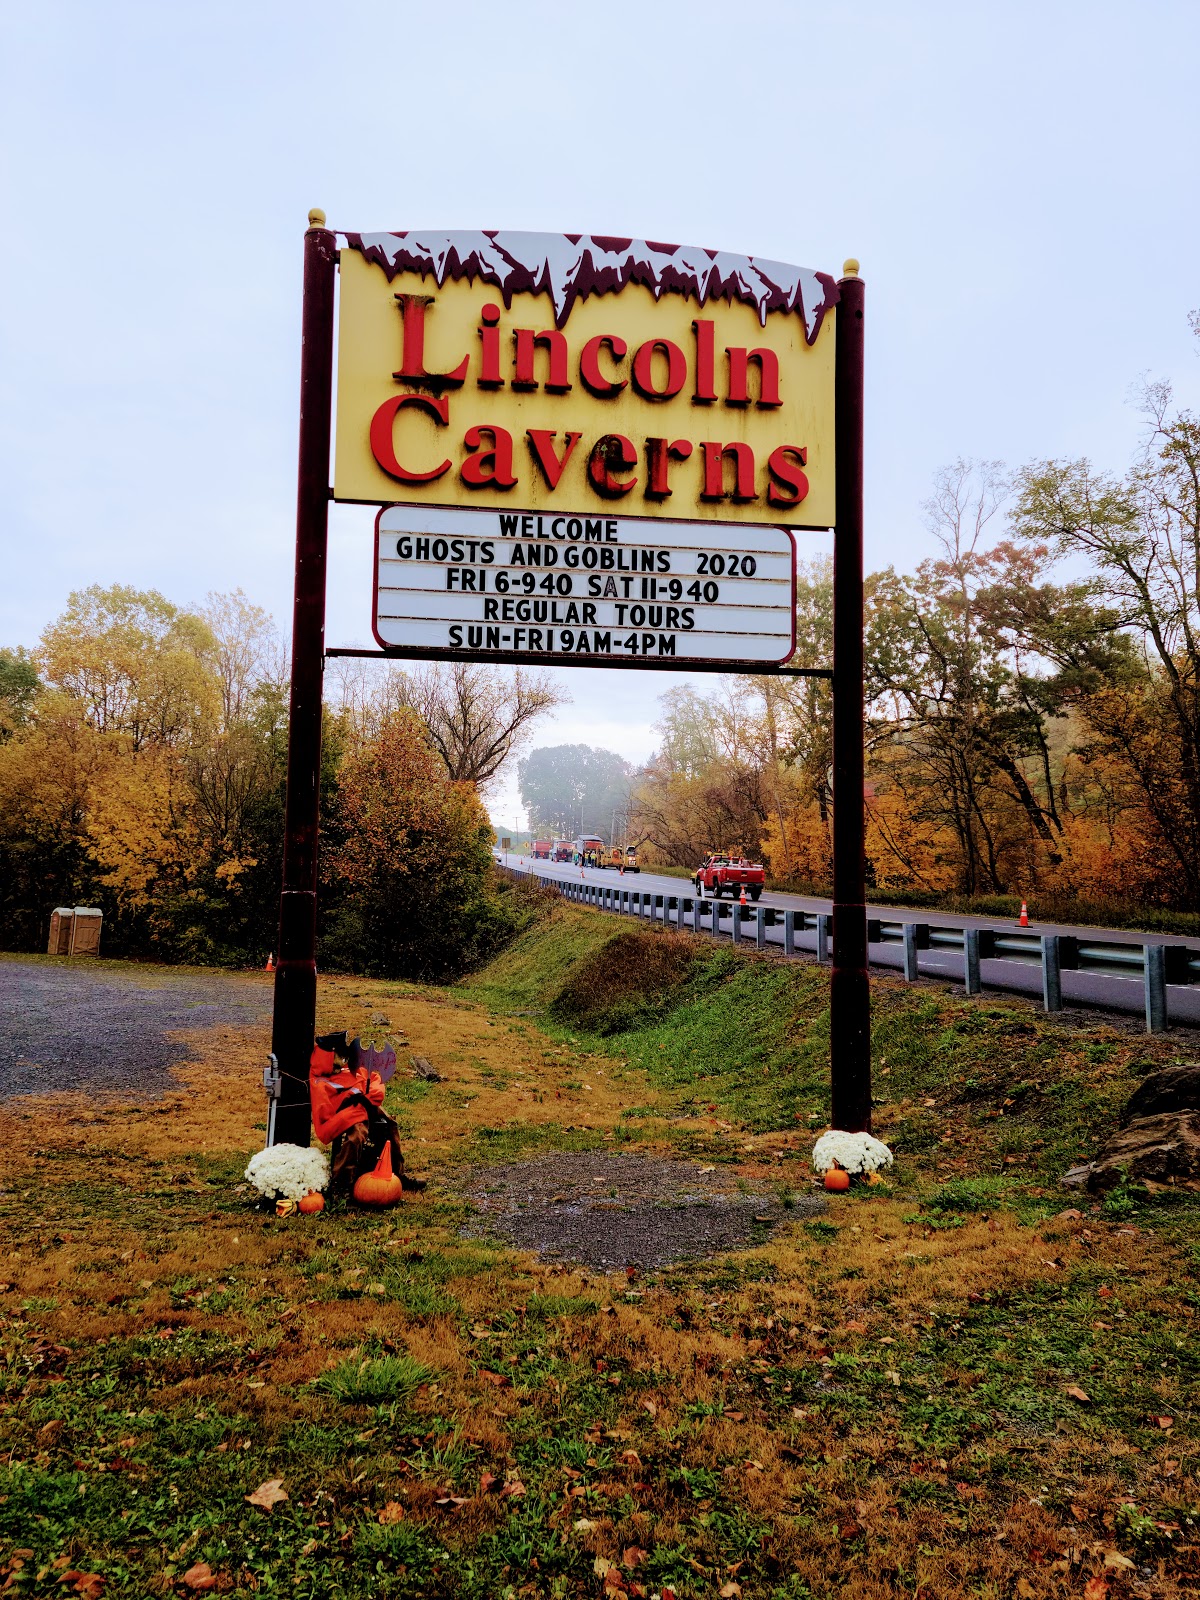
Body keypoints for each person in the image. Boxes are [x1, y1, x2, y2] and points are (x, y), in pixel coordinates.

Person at [309, 1033, 424, 1196]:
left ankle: (396, 1174)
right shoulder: (319, 1080)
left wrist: (371, 1094)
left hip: (365, 1107)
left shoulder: (348, 1069)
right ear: (331, 1055)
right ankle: (341, 1184)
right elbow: (325, 1110)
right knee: (356, 1136)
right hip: (345, 1115)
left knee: (389, 1125)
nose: (343, 1059)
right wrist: (353, 1104)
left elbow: (373, 1077)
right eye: (339, 1055)